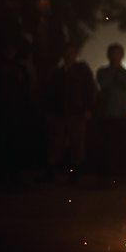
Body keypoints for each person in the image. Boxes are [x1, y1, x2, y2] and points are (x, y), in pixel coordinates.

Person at [44, 43, 96, 180]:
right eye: (67, 52)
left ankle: (75, 172)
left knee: (77, 143)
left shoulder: (82, 71)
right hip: (60, 112)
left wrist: (88, 108)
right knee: (56, 142)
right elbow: (50, 93)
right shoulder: (57, 73)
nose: (69, 55)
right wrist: (50, 111)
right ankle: (51, 170)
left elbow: (90, 90)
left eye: (72, 52)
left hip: (77, 112)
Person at [94, 43, 126, 179]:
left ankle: (119, 172)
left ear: (122, 56)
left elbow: (125, 83)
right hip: (105, 113)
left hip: (122, 113)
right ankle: (106, 173)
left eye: (117, 53)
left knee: (121, 143)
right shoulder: (102, 71)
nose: (114, 56)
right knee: (106, 144)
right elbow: (103, 83)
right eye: (112, 53)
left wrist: (114, 78)